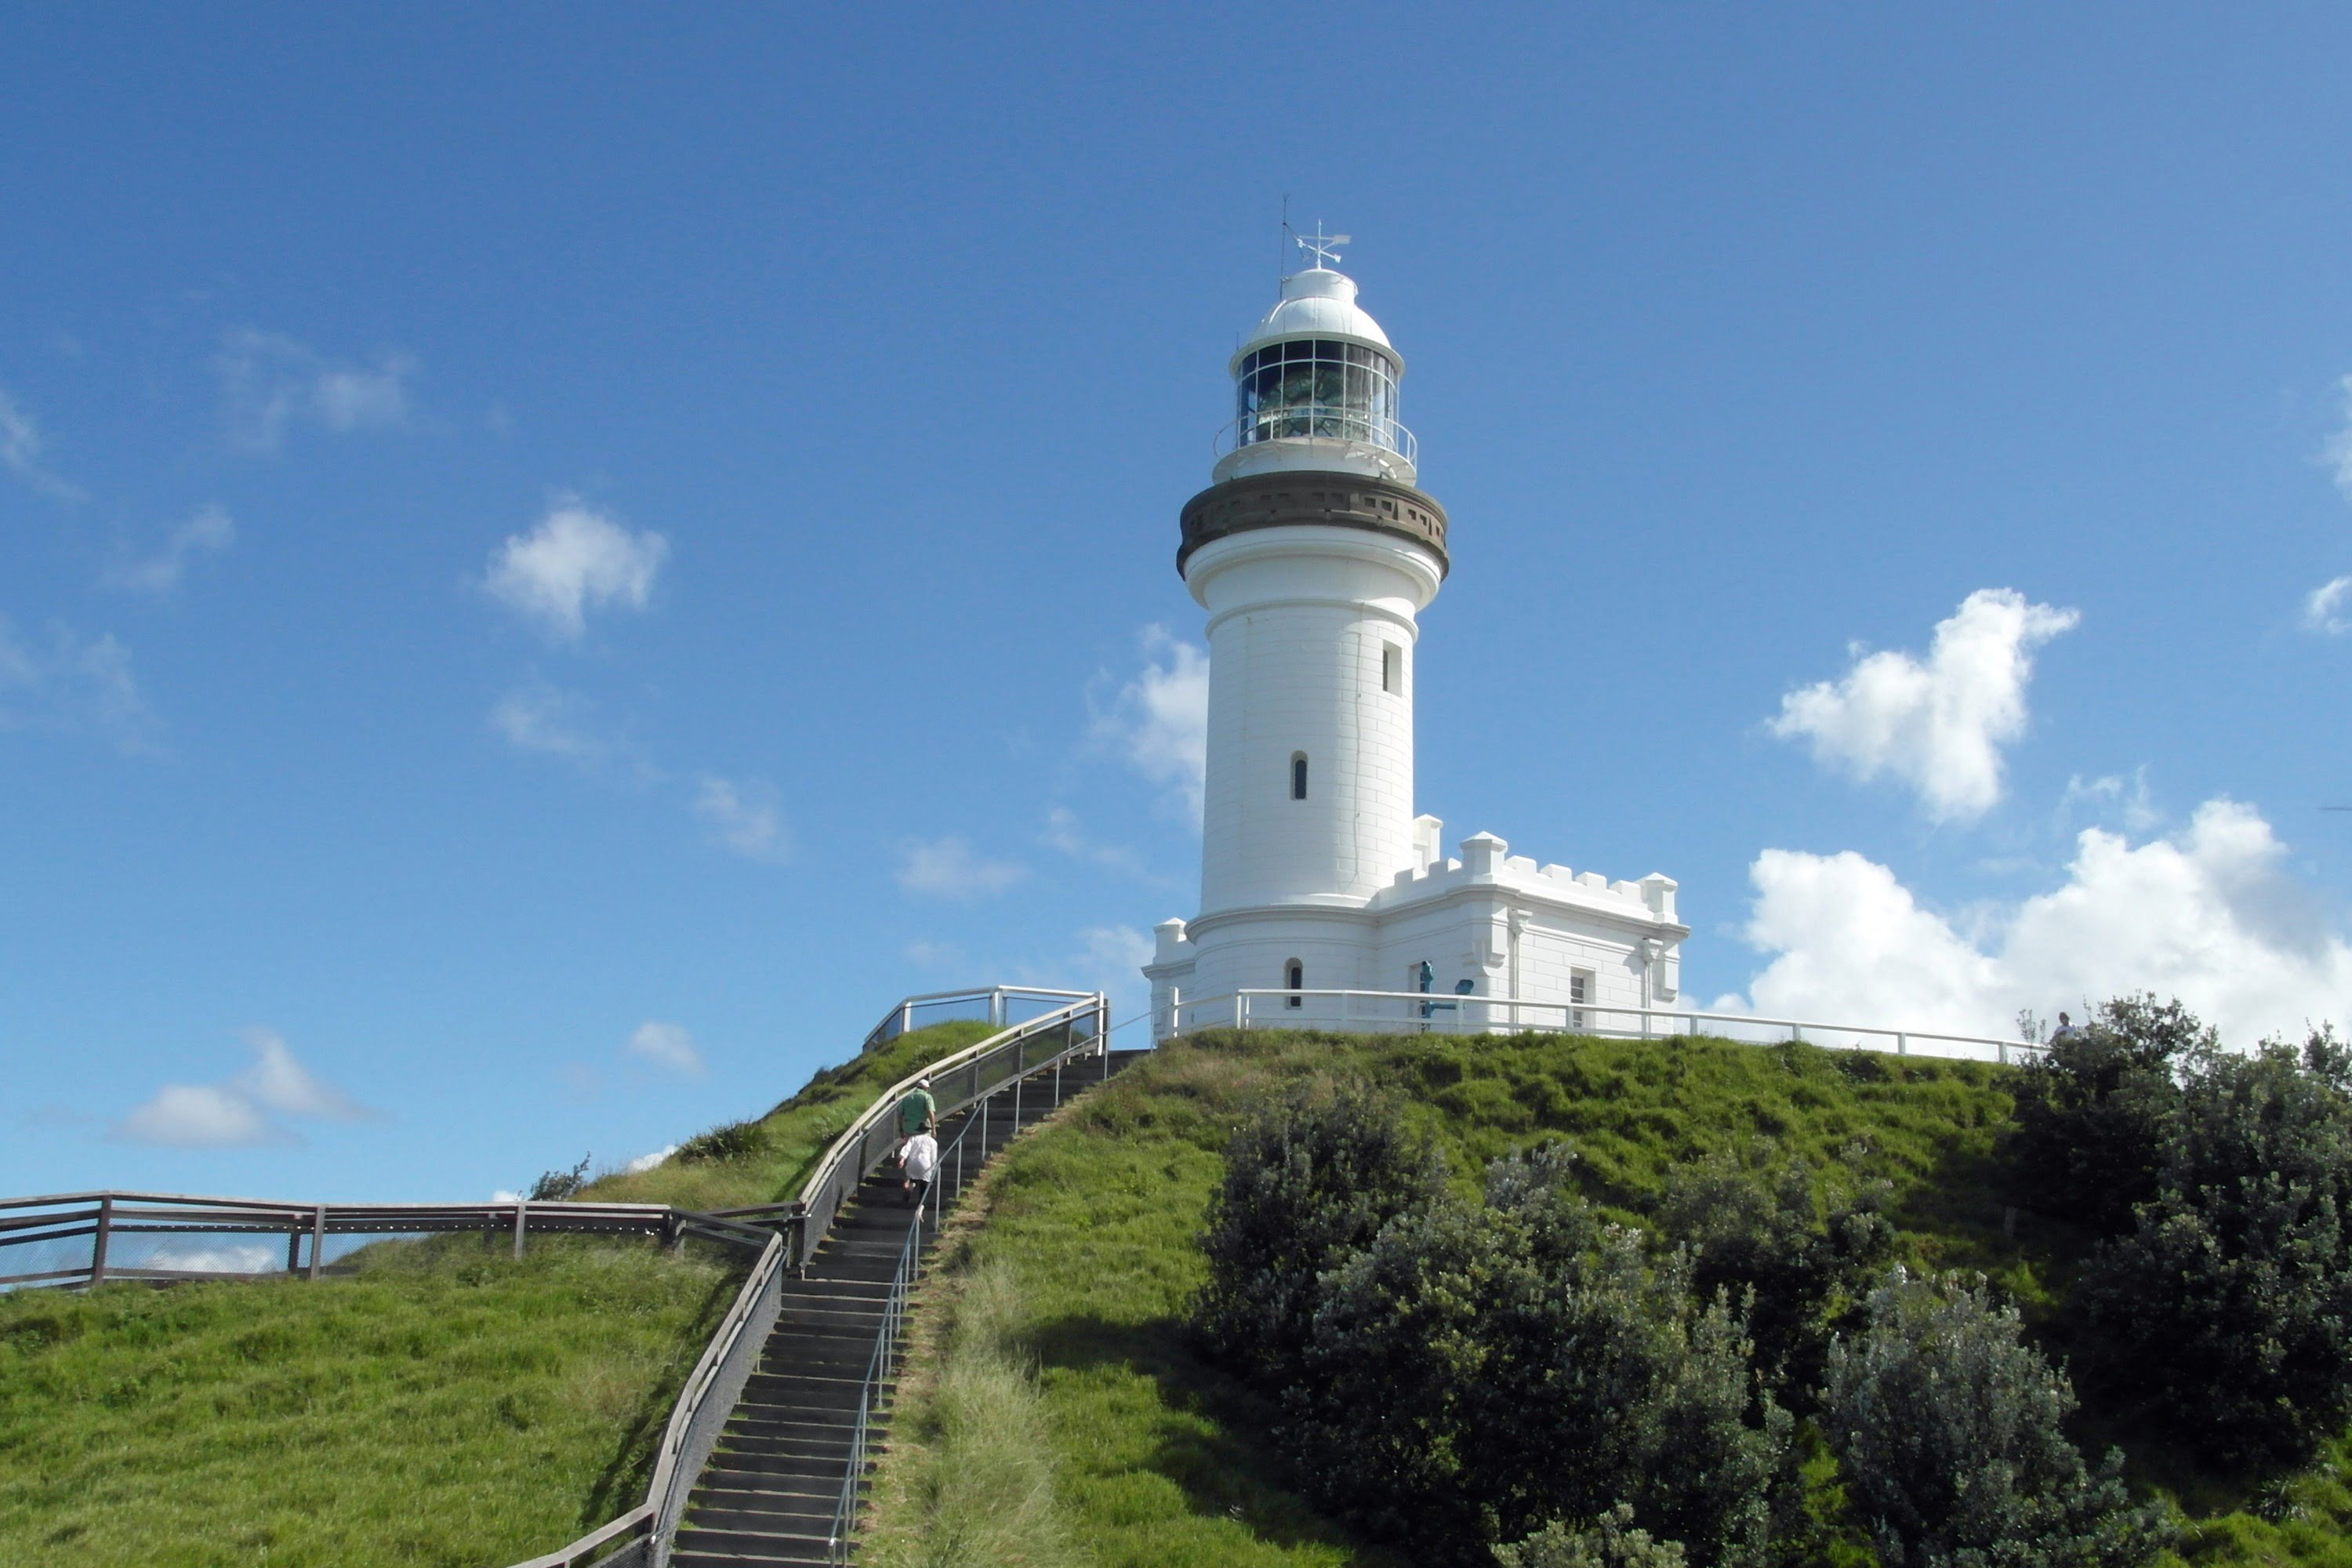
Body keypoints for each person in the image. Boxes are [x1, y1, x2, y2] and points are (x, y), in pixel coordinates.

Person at [900, 1126, 939, 1214]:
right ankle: (920, 1209)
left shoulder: (913, 1138)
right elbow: (934, 1158)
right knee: (924, 1187)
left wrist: (902, 1160)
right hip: (925, 1164)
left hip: (912, 1163)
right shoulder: (933, 1142)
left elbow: (907, 1149)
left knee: (913, 1178)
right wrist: (933, 1168)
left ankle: (909, 1188)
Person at [895, 1077, 936, 1156]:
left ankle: (909, 1166)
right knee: (924, 1151)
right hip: (924, 1129)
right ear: (926, 1088)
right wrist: (934, 1128)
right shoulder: (927, 1097)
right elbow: (931, 1113)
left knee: (910, 1151)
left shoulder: (907, 1098)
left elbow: (899, 1115)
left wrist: (901, 1129)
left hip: (909, 1128)